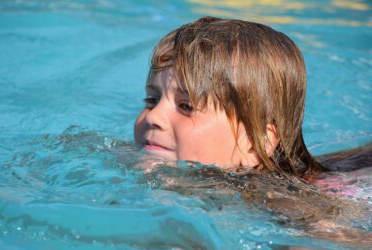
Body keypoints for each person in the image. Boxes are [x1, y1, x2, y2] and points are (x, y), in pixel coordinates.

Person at [133, 16, 372, 246]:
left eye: (186, 106)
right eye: (151, 100)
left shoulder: (280, 201)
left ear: (255, 141)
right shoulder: (130, 156)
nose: (153, 116)